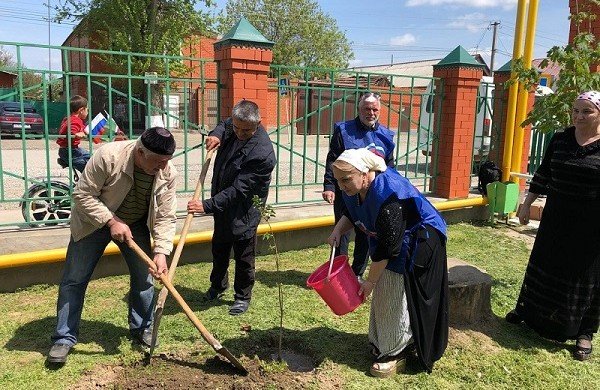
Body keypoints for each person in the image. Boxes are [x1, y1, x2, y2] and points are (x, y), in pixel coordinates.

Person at [47, 127, 177, 364]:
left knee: (144, 277)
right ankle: (63, 338)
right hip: (93, 222)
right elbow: (83, 194)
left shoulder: (168, 172)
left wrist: (161, 251)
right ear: (140, 152)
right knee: (74, 279)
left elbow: (166, 216)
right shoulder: (109, 156)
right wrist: (111, 221)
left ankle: (142, 328)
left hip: (134, 225)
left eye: (166, 161)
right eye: (158, 161)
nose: (163, 167)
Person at [327, 148, 448, 377]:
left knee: (393, 291)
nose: (341, 187)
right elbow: (353, 214)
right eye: (338, 182)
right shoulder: (354, 188)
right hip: (392, 243)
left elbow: (387, 249)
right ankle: (382, 341)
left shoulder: (389, 193)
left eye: (346, 180)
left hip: (419, 242)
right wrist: (338, 231)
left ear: (364, 173)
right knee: (385, 289)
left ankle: (395, 352)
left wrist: (370, 283)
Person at [507, 91, 600, 361]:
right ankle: (528, 312)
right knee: (546, 264)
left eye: (587, 111)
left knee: (587, 277)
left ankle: (584, 332)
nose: (579, 116)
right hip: (556, 219)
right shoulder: (560, 139)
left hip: (591, 227)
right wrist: (527, 203)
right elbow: (544, 172)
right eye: (576, 110)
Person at [187, 100, 276, 316]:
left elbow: (238, 191)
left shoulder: (263, 154)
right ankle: (218, 285)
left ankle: (242, 296)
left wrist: (206, 206)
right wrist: (216, 134)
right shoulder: (234, 125)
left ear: (258, 124)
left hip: (244, 210)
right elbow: (224, 125)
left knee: (244, 256)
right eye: (236, 127)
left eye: (246, 130)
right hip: (223, 206)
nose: (239, 132)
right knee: (219, 248)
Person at [323, 92, 395, 279]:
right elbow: (333, 159)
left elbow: (390, 165)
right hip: (345, 190)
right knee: (343, 231)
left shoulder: (386, 135)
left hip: (372, 193)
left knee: (366, 232)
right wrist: (329, 186)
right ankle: (338, 272)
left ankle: (357, 272)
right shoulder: (344, 130)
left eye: (374, 109)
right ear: (359, 109)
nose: (371, 112)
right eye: (366, 108)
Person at [56, 95, 91, 172]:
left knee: (92, 158)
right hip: (69, 151)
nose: (88, 112)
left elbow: (85, 129)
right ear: (81, 110)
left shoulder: (69, 118)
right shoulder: (75, 120)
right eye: (87, 110)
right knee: (89, 170)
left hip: (70, 149)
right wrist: (76, 134)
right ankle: (85, 183)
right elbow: (72, 131)